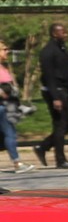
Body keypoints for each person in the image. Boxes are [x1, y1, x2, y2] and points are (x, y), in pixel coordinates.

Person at [33, 22, 68, 170]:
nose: (66, 34)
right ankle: (61, 160)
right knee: (60, 124)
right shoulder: (48, 51)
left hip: (64, 90)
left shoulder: (63, 49)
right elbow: (49, 76)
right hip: (55, 91)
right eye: (63, 32)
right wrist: (55, 97)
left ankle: (43, 146)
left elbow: (67, 73)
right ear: (54, 33)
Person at [0, 40, 23, 173]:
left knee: (8, 134)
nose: (7, 51)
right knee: (10, 134)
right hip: (1, 106)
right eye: (4, 49)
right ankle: (17, 163)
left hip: (6, 105)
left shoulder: (2, 67)